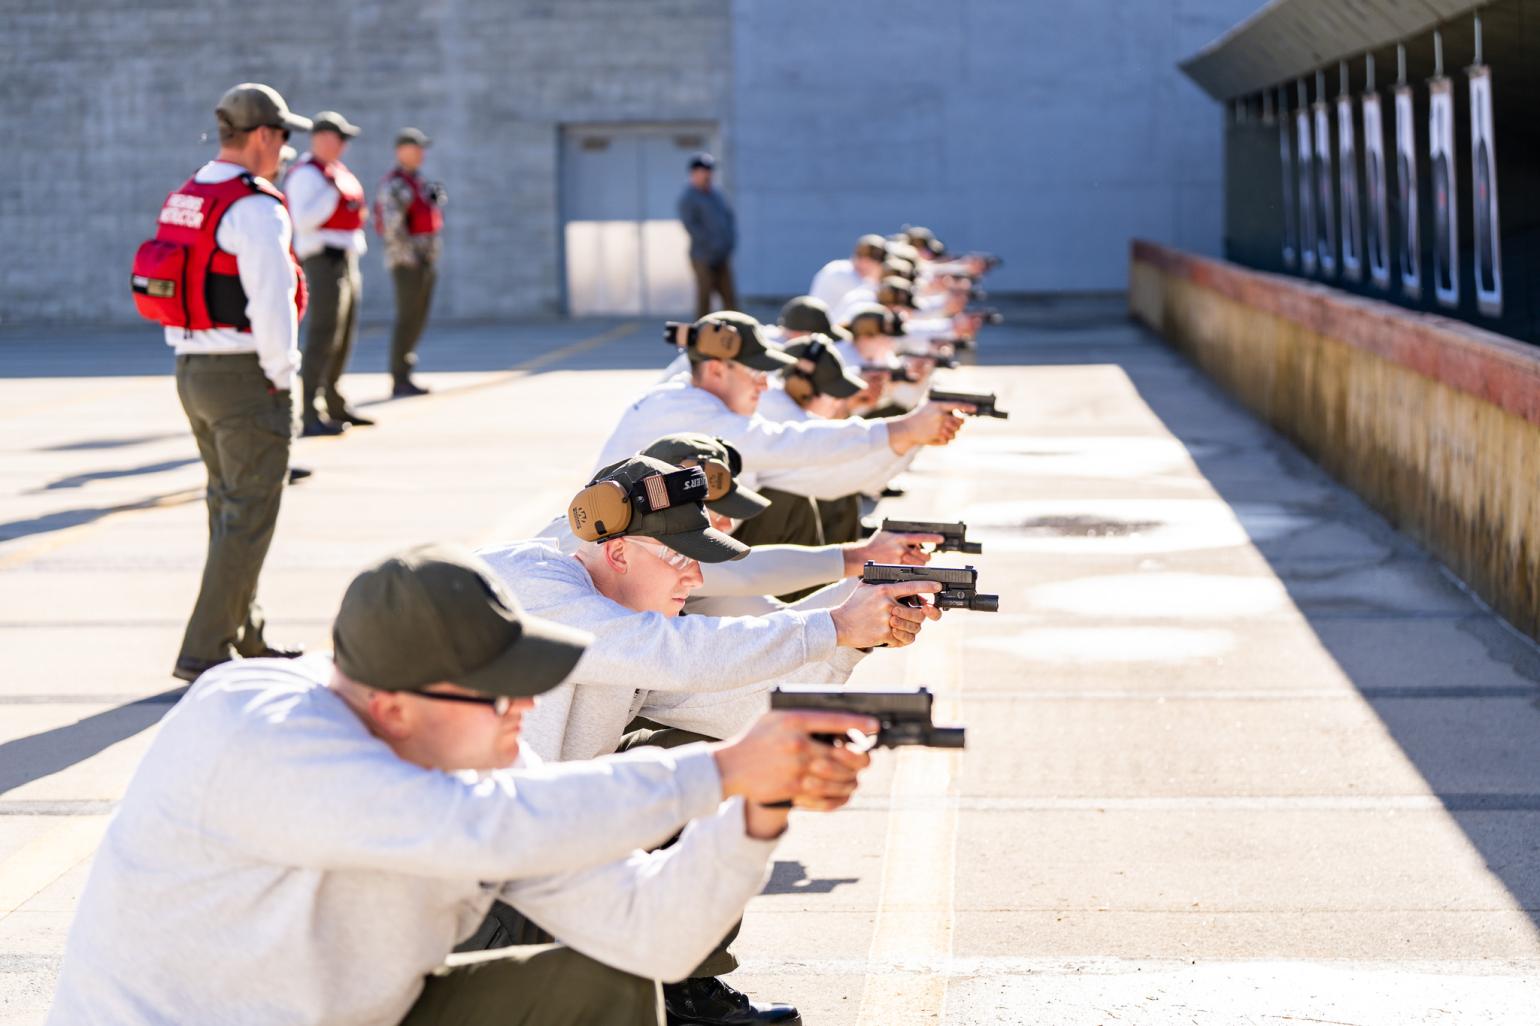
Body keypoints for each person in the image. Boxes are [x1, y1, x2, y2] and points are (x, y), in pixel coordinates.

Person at [47, 543, 878, 1026]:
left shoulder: (482, 764)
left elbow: (655, 935)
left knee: (604, 988)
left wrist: (756, 810)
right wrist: (723, 767)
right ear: (394, 706)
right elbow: (460, 827)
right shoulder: (251, 721)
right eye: (497, 688)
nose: (526, 703)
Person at [132, 83, 310, 682]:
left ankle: (246, 632)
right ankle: (204, 648)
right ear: (262, 136)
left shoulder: (188, 194)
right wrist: (285, 375)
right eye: (284, 137)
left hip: (193, 370)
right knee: (248, 513)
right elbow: (273, 302)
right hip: (245, 376)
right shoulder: (256, 206)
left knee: (231, 509)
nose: (286, 151)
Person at [594, 312, 970, 548]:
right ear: (716, 369)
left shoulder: (703, 405)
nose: (764, 384)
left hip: (645, 552)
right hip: (624, 560)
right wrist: (903, 429)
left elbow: (827, 480)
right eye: (756, 372)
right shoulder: (684, 408)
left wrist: (907, 438)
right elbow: (792, 445)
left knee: (792, 507)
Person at [284, 110, 374, 436]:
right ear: (321, 138)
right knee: (323, 335)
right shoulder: (308, 175)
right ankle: (309, 411)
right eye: (340, 138)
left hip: (346, 257)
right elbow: (303, 220)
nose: (344, 146)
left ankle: (334, 399)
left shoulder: (336, 171)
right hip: (322, 260)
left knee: (343, 333)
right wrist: (333, 193)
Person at [377, 127, 443, 397]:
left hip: (426, 259)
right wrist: (411, 258)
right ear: (402, 151)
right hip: (408, 263)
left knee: (418, 317)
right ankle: (399, 375)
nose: (421, 154)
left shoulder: (420, 181)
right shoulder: (395, 184)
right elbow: (393, 227)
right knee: (407, 318)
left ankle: (406, 371)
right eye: (416, 148)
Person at [678, 152, 738, 318]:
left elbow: (729, 218)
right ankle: (700, 338)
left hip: (722, 255)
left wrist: (729, 243)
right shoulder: (689, 197)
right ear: (694, 173)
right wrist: (711, 247)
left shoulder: (716, 194)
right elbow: (692, 227)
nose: (708, 174)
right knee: (704, 300)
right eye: (703, 170)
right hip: (702, 256)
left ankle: (736, 334)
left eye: (709, 170)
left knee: (730, 299)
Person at [808, 234, 886, 310]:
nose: (865, 262)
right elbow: (869, 296)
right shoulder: (840, 272)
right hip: (820, 322)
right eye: (860, 255)